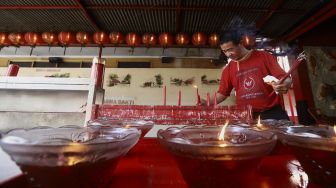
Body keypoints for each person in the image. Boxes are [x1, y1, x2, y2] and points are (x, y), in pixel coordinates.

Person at [204, 29, 292, 120]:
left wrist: (284, 83)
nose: (228, 54)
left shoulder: (264, 56)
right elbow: (222, 94)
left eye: (230, 49)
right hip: (246, 116)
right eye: (224, 51)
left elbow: (285, 78)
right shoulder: (228, 69)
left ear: (240, 43)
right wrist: (206, 102)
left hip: (271, 113)